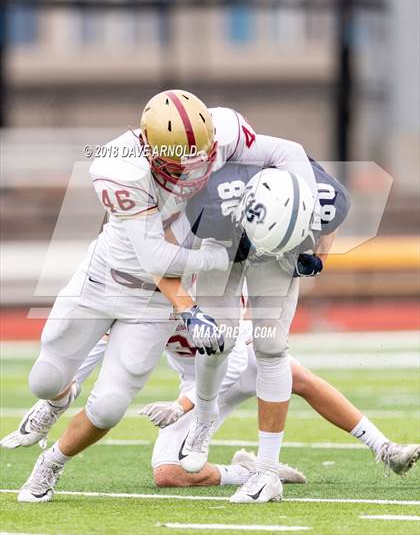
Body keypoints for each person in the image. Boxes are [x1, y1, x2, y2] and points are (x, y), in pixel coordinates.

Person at [1, 90, 317, 503]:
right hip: (101, 282)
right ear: (150, 149)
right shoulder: (119, 166)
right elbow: (153, 255)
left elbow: (291, 152)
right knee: (44, 380)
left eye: (199, 157)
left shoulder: (224, 131)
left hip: (153, 303)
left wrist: (304, 214)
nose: (193, 172)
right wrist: (219, 257)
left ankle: (51, 465)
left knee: (112, 405)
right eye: (178, 163)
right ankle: (59, 399)